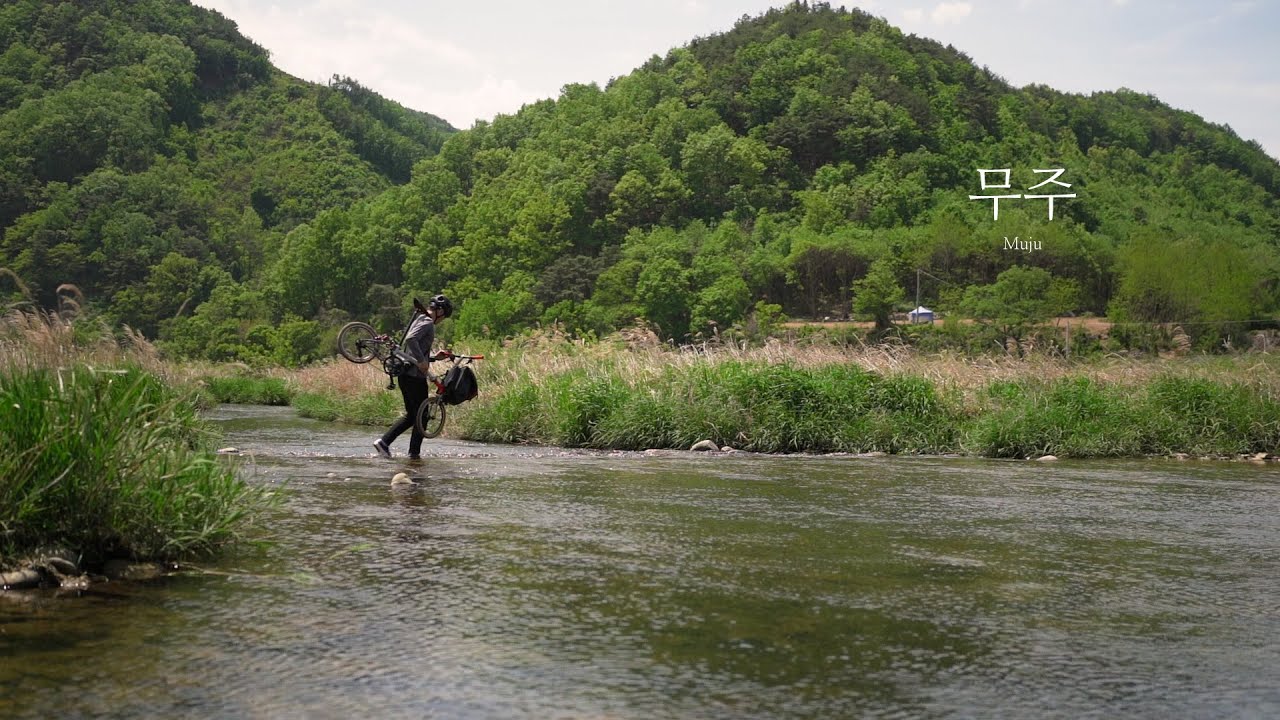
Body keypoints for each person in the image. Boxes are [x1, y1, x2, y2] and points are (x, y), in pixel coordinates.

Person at [373, 294, 453, 460]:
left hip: (406, 374)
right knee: (422, 417)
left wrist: (432, 358)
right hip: (414, 377)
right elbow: (411, 340)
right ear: (439, 312)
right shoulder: (428, 322)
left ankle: (384, 443)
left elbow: (414, 351)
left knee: (412, 416)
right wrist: (423, 361)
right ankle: (414, 456)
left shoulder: (420, 319)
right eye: (443, 317)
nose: (441, 320)